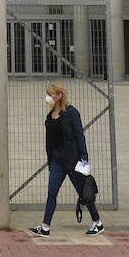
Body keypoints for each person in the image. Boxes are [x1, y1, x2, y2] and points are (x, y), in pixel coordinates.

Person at [29, 81, 103, 237]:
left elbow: (79, 135)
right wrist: (50, 158)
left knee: (83, 191)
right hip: (57, 159)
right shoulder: (50, 115)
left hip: (72, 159)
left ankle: (97, 222)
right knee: (52, 191)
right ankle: (45, 226)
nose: (48, 97)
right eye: (48, 94)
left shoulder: (71, 113)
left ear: (59, 96)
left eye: (51, 94)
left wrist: (84, 158)